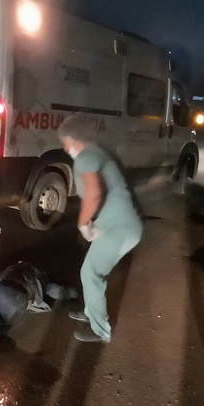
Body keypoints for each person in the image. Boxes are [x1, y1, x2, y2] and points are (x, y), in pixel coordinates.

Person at [57, 114, 143, 343]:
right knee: (92, 271)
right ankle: (91, 311)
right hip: (119, 226)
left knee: (91, 274)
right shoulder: (100, 152)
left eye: (65, 142)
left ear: (74, 138)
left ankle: (101, 330)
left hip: (119, 228)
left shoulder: (86, 157)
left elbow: (93, 194)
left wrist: (83, 224)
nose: (65, 149)